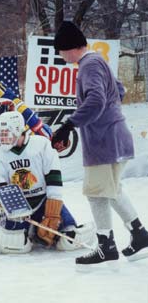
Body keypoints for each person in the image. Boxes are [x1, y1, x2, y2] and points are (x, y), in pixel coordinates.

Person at [52, 21, 148, 267]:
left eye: (60, 51)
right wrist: (107, 116)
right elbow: (119, 90)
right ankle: (139, 234)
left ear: (69, 47)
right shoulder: (98, 62)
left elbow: (96, 99)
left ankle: (106, 246)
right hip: (116, 137)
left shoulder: (89, 65)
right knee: (111, 189)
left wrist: (69, 125)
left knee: (96, 193)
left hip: (104, 142)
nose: (60, 56)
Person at [0, 111, 94, 254]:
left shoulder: (41, 144)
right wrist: (9, 205)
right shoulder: (0, 154)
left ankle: (37, 228)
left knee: (68, 241)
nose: (2, 137)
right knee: (13, 245)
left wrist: (53, 210)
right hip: (18, 209)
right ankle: (29, 230)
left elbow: (53, 176)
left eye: (5, 132)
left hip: (43, 201)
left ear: (18, 129)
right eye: (0, 132)